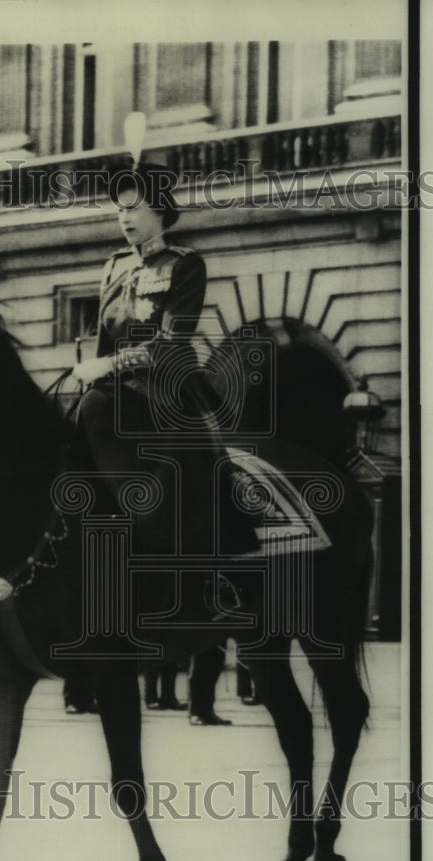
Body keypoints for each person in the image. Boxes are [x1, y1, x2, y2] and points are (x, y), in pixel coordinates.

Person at [72, 161, 258, 567]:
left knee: (198, 459)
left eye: (133, 207)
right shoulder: (114, 265)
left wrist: (108, 367)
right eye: (120, 209)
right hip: (113, 389)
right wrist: (93, 371)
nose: (124, 217)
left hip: (166, 387)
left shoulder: (184, 264)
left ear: (158, 210)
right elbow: (104, 339)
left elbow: (172, 341)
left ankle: (215, 557)